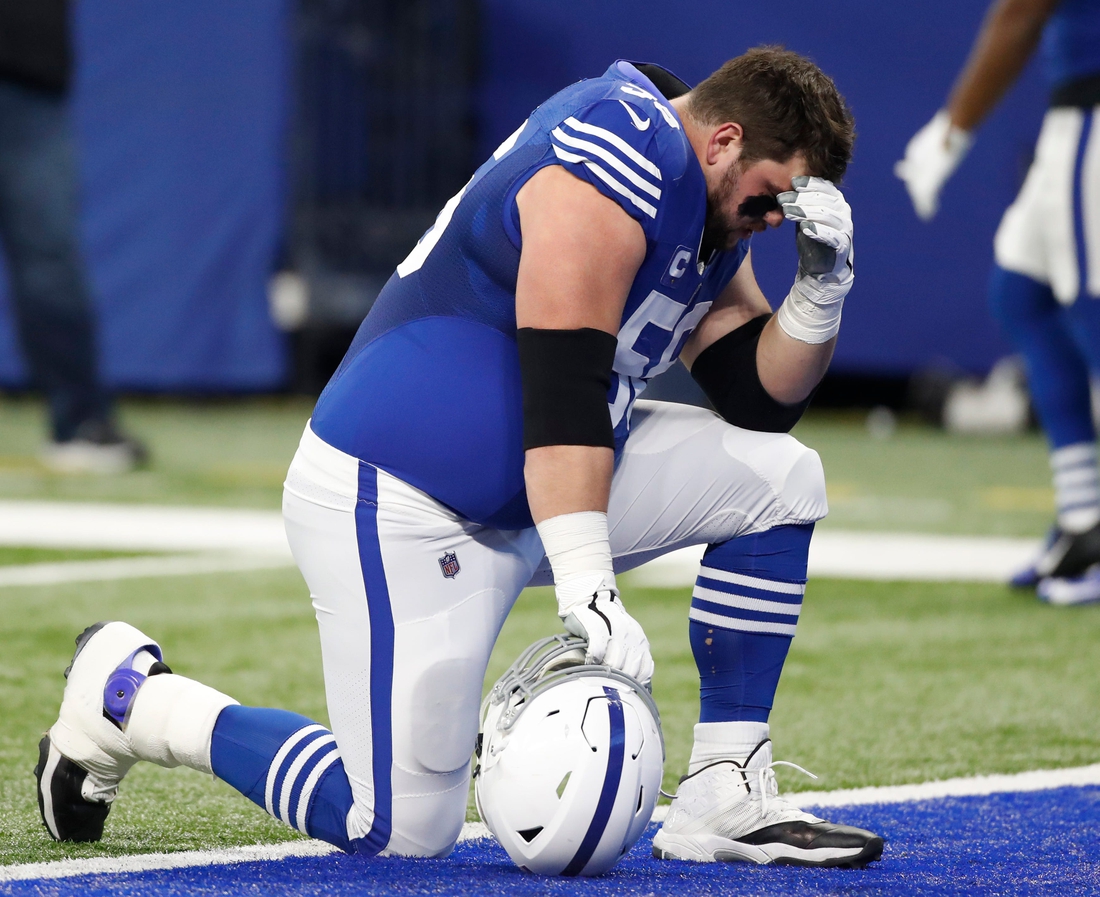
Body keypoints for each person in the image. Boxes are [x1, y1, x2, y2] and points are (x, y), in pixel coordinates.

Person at [36, 48, 883, 868]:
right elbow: (562, 388)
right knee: (396, 827)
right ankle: (135, 700)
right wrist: (588, 581)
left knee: (781, 479)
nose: (772, 223)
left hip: (539, 485)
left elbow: (758, 398)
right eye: (773, 199)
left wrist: (819, 294)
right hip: (401, 494)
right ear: (726, 140)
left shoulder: (706, 197)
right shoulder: (618, 151)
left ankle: (723, 794)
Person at [895, 0, 1100, 604]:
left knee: (1091, 312)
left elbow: (1021, 9)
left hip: (1093, 112)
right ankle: (1084, 517)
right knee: (1022, 294)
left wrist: (952, 130)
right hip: (1078, 110)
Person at [0, 0, 146, 473]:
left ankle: (79, 422)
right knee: (48, 257)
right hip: (31, 77)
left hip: (28, 72)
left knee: (49, 258)